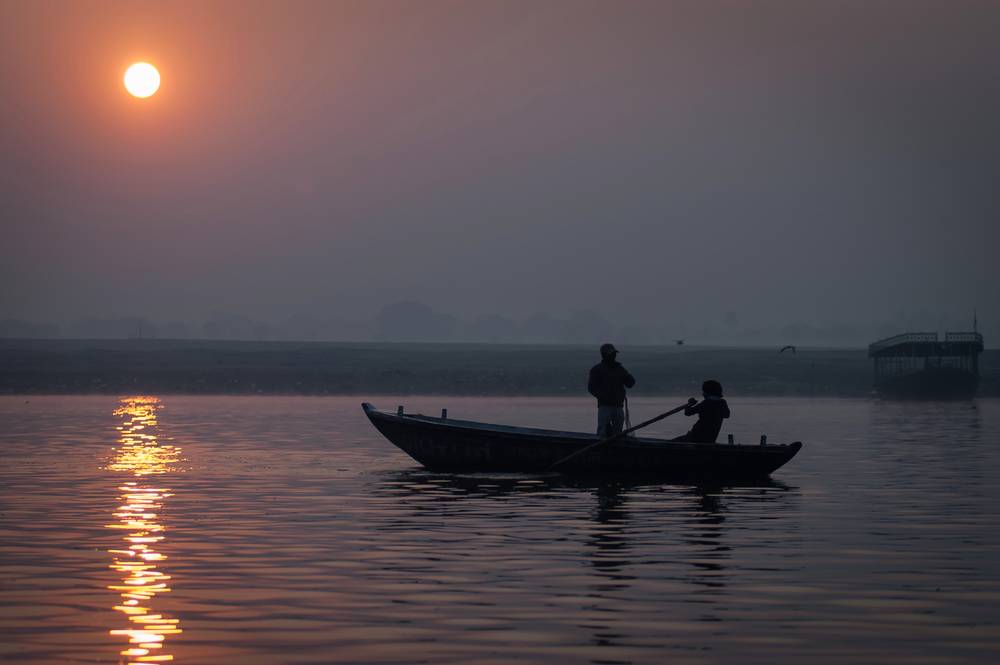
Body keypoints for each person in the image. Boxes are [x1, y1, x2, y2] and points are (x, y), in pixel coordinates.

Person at [587, 343, 636, 438]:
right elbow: (591, 388)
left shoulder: (620, 369)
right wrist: (603, 397)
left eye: (614, 354)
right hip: (604, 407)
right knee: (602, 433)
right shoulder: (597, 370)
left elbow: (630, 383)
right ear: (604, 355)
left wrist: (628, 378)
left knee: (618, 433)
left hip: (618, 406)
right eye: (611, 354)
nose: (614, 356)